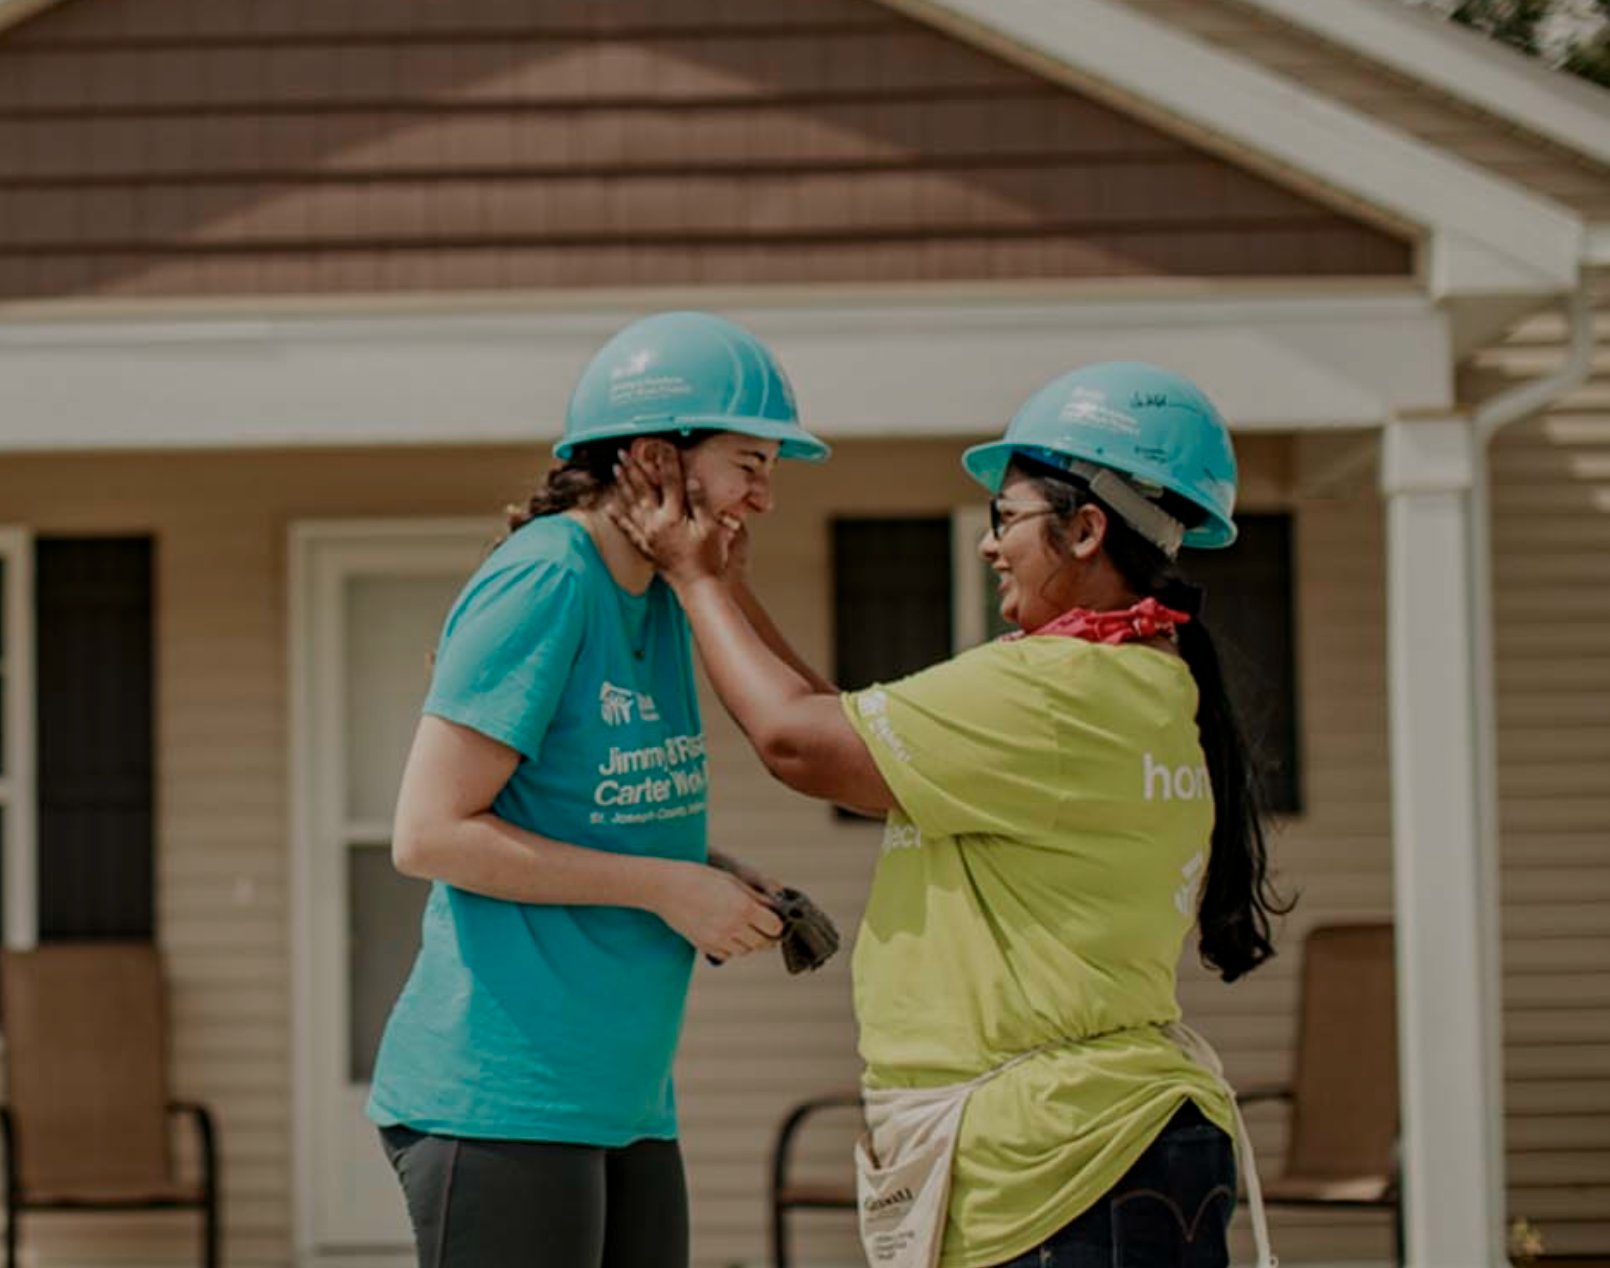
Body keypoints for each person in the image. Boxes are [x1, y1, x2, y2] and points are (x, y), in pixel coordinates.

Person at [612, 360, 1289, 1268]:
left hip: (1058, 1165)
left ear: (1086, 529)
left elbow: (796, 742)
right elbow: (840, 724)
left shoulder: (1055, 690)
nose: (988, 546)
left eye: (1005, 518)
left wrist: (693, 578)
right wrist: (728, 587)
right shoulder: (1139, 680)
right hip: (1107, 1150)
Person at [365, 310, 831, 1268]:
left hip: (621, 1095)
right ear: (657, 457)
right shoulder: (548, 580)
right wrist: (668, 887)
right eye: (749, 463)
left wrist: (708, 871)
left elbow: (592, 808)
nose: (765, 495)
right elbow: (429, 834)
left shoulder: (661, 593)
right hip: (502, 1096)